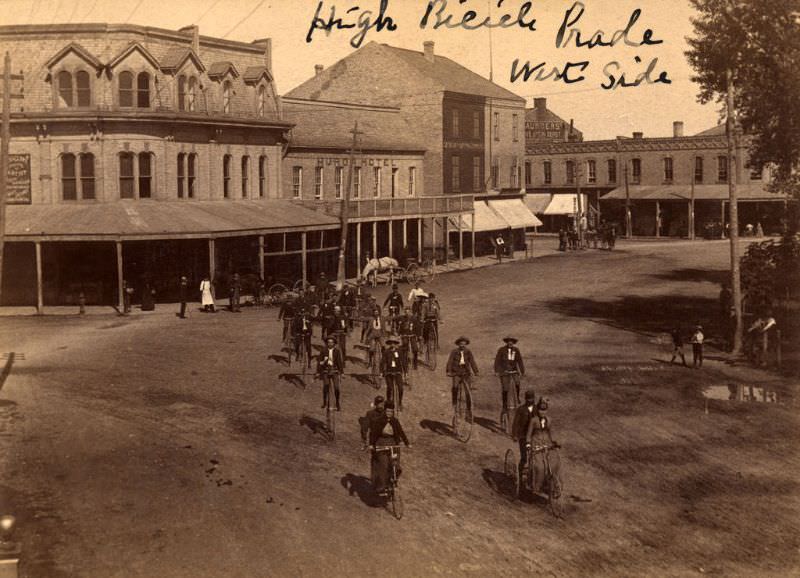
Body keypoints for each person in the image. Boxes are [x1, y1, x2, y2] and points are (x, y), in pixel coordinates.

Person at [369, 400, 410, 497]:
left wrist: (407, 443)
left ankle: (392, 480)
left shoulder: (395, 421)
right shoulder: (379, 421)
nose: (389, 414)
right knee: (384, 464)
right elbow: (373, 433)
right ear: (384, 411)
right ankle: (382, 486)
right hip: (381, 444)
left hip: (393, 443)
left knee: (395, 464)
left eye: (391, 412)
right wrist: (371, 444)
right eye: (387, 411)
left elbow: (400, 432)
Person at [525, 398, 561, 497]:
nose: (542, 412)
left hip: (547, 444)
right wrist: (528, 444)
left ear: (547, 410)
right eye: (541, 410)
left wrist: (555, 442)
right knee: (540, 467)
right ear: (538, 410)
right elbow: (529, 434)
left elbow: (551, 433)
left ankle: (553, 484)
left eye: (544, 410)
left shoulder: (549, 420)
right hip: (536, 444)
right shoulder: (534, 421)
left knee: (554, 463)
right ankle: (537, 487)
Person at [446, 337, 479, 418]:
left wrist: (476, 371)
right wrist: (448, 371)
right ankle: (454, 403)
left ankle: (468, 409)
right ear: (458, 344)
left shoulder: (468, 352)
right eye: (461, 344)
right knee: (455, 386)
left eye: (464, 344)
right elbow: (450, 361)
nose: (462, 345)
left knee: (468, 390)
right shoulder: (454, 352)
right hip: (456, 373)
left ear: (466, 344)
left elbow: (472, 361)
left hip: (465, 373)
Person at [511, 389, 538, 484]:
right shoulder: (521, 409)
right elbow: (516, 423)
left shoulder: (537, 409)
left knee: (536, 456)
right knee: (524, 457)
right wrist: (514, 434)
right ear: (526, 399)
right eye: (529, 399)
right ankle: (520, 475)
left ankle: (534, 476)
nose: (530, 401)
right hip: (523, 436)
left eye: (532, 399)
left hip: (535, 436)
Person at [494, 337, 525, 412]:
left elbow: (519, 361)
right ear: (506, 342)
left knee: (517, 383)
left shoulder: (516, 350)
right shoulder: (501, 350)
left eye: (512, 342)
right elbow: (497, 361)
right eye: (508, 341)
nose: (510, 343)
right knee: (505, 388)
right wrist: (497, 371)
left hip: (514, 371)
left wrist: (522, 371)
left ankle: (517, 397)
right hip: (504, 372)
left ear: (513, 343)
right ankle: (504, 403)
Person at [317, 336, 344, 411]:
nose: (330, 344)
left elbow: (339, 363)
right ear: (326, 343)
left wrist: (342, 373)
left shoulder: (337, 351)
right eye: (328, 342)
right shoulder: (323, 351)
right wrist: (318, 372)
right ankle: (325, 401)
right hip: (326, 370)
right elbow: (319, 362)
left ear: (334, 343)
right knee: (326, 385)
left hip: (334, 370)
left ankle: (337, 402)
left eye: (332, 342)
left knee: (336, 387)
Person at [380, 337, 407, 410]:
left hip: (398, 372)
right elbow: (382, 362)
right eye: (391, 343)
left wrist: (405, 372)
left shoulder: (399, 352)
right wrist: (381, 372)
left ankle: (400, 402)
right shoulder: (386, 352)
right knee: (390, 388)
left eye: (394, 343)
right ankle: (388, 401)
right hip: (389, 372)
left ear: (396, 344)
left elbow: (403, 362)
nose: (393, 344)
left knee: (401, 388)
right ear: (389, 344)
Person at [398, 306, 422, 371]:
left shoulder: (414, 319)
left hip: (412, 336)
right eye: (406, 312)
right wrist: (400, 334)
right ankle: (404, 361)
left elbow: (418, 328)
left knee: (415, 349)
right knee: (405, 346)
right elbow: (400, 328)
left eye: (408, 311)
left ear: (410, 312)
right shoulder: (402, 319)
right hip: (405, 335)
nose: (407, 313)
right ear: (404, 312)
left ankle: (415, 363)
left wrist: (419, 335)